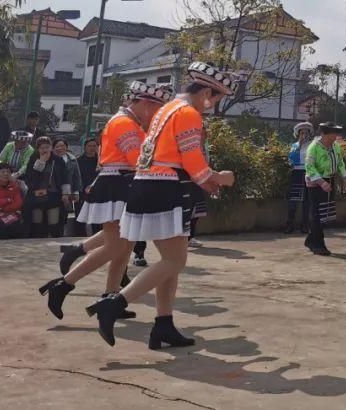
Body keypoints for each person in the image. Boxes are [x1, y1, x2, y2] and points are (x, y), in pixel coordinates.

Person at [87, 62, 235, 349]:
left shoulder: (167, 109)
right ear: (206, 91)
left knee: (171, 262)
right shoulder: (189, 114)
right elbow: (192, 158)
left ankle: (163, 324)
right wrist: (218, 178)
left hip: (148, 183)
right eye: (216, 99)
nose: (213, 106)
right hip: (167, 187)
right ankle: (114, 304)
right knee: (175, 261)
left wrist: (206, 179)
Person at [40, 82, 172, 321]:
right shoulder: (125, 123)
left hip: (122, 184)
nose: (156, 115)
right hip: (117, 185)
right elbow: (139, 160)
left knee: (125, 246)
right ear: (144, 103)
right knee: (115, 246)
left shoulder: (129, 122)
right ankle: (63, 285)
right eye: (156, 108)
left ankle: (110, 296)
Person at [303, 122, 346, 256]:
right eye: (332, 134)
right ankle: (318, 244)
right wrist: (321, 182)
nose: (335, 137)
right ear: (323, 134)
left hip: (330, 180)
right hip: (316, 182)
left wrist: (345, 177)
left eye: (336, 134)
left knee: (325, 214)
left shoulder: (335, 147)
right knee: (317, 214)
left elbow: (340, 162)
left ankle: (311, 240)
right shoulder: (314, 147)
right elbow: (309, 167)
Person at [23, 137, 72, 238]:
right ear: (38, 149)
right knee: (37, 223)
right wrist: (41, 162)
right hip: (36, 196)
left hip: (54, 195)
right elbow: (30, 177)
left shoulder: (58, 160)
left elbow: (65, 178)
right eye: (42, 148)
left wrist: (65, 194)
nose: (45, 150)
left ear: (51, 148)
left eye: (47, 147)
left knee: (54, 223)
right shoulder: (33, 158)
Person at [285, 122, 313, 233]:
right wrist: (299, 146)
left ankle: (305, 225)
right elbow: (291, 159)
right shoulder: (294, 146)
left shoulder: (312, 145)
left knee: (306, 201)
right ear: (298, 134)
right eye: (302, 133)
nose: (304, 135)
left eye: (306, 133)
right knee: (293, 201)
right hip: (296, 173)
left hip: (308, 173)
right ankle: (290, 225)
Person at [53, 138, 83, 236]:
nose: (60, 148)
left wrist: (76, 192)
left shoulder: (72, 159)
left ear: (66, 147)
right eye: (57, 146)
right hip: (54, 191)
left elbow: (76, 176)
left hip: (68, 192)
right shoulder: (51, 160)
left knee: (64, 214)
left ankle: (61, 234)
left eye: (62, 146)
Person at [75, 137, 100, 235]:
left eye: (94, 146)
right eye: (89, 146)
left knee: (97, 220)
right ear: (85, 147)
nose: (92, 148)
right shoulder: (78, 161)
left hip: (98, 193)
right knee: (80, 219)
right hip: (82, 192)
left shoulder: (101, 161)